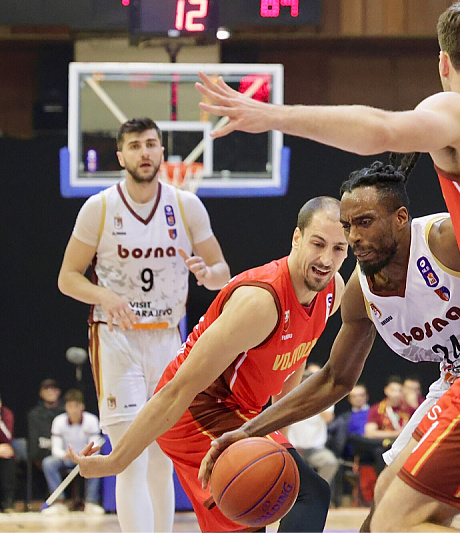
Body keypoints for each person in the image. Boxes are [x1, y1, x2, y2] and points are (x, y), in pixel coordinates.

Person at [195, 0, 460, 519]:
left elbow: (383, 129)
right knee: (392, 513)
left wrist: (269, 115)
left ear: (443, 63)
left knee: (397, 522)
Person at [66, 197, 348, 533]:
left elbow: (295, 358)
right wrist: (116, 460)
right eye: (318, 243)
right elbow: (177, 389)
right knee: (298, 496)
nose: (326, 259)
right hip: (196, 411)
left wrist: (280, 438)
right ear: (297, 238)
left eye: (338, 249)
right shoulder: (260, 303)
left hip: (241, 414)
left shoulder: (333, 290)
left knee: (284, 502)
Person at [57, 117, 230, 532]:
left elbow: (223, 272)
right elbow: (68, 278)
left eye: (151, 144)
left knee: (162, 455)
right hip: (117, 340)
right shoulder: (98, 208)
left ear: (162, 151)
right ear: (121, 156)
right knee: (130, 457)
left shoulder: (186, 205)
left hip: (169, 340)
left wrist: (207, 275)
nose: (145, 152)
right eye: (135, 146)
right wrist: (104, 295)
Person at [41, 389, 104, 516]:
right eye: (70, 406)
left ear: (82, 406)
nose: (74, 410)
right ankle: (58, 503)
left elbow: (96, 444)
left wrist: (82, 456)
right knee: (48, 463)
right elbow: (55, 449)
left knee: (97, 459)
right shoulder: (58, 421)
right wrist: (66, 455)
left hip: (85, 458)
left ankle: (91, 503)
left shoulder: (91, 420)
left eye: (77, 406)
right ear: (66, 407)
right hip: (66, 458)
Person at [286, 368, 339, 486]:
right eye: (304, 381)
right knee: (283, 466)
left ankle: (318, 491)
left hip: (315, 450)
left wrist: (313, 398)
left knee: (330, 462)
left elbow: (328, 418)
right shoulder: (291, 396)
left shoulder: (325, 397)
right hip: (293, 449)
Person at [27, 378, 65, 493]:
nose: (49, 392)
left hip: (65, 453)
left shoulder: (66, 412)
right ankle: (58, 501)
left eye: (53, 389)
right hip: (43, 453)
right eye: (46, 389)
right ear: (40, 393)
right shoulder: (34, 414)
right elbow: (33, 441)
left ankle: (89, 501)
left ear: (58, 392)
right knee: (48, 462)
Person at [0, 393, 15, 513]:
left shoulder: (6, 414)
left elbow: (8, 438)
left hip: (3, 449)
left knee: (8, 454)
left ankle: (7, 503)